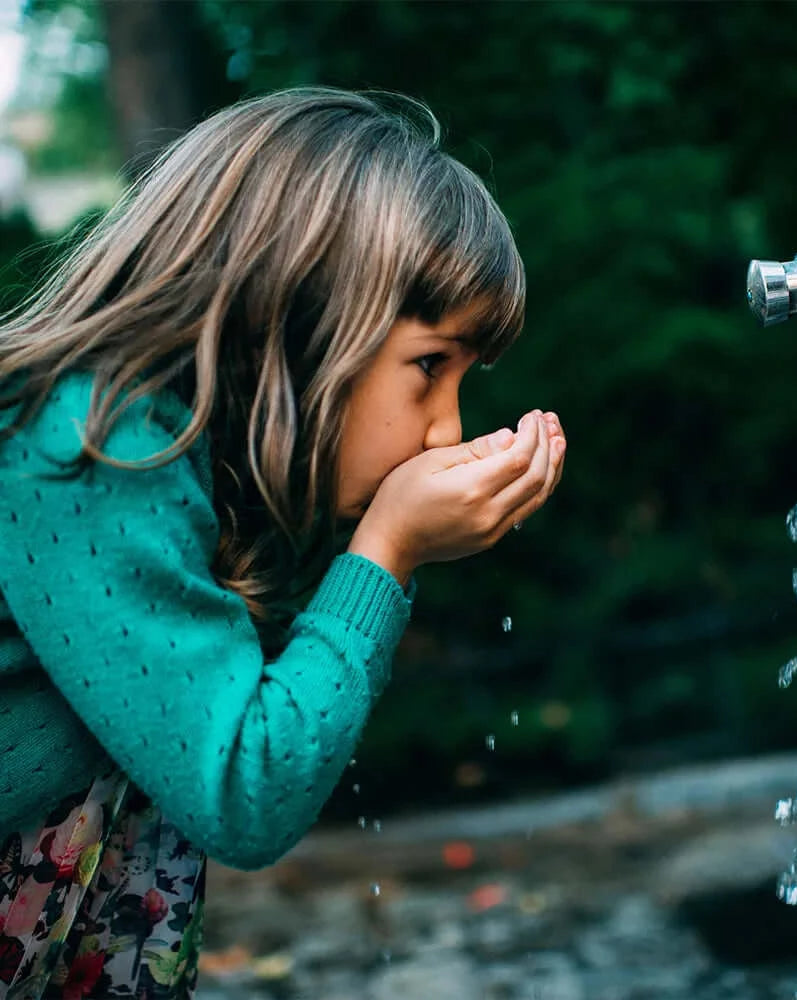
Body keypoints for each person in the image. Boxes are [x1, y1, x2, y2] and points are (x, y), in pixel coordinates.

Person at [0, 87, 565, 999]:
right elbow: (243, 788)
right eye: (430, 366)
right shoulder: (88, 447)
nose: (445, 430)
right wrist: (386, 552)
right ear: (293, 314)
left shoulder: (179, 465)